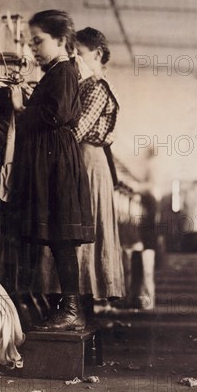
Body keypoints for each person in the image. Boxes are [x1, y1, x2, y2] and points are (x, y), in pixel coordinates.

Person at [10, 10, 94, 331]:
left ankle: (71, 309)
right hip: (54, 156)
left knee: (62, 237)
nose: (33, 47)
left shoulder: (63, 71)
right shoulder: (58, 71)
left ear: (60, 40)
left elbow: (56, 115)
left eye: (38, 41)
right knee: (58, 236)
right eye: (32, 41)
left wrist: (21, 109)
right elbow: (55, 109)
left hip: (57, 159)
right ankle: (68, 307)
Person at [71, 27, 124, 311]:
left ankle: (82, 306)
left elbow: (76, 131)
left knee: (84, 231)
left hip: (89, 161)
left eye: (78, 54)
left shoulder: (96, 87)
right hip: (86, 160)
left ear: (98, 54)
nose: (74, 60)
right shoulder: (86, 86)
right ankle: (81, 306)